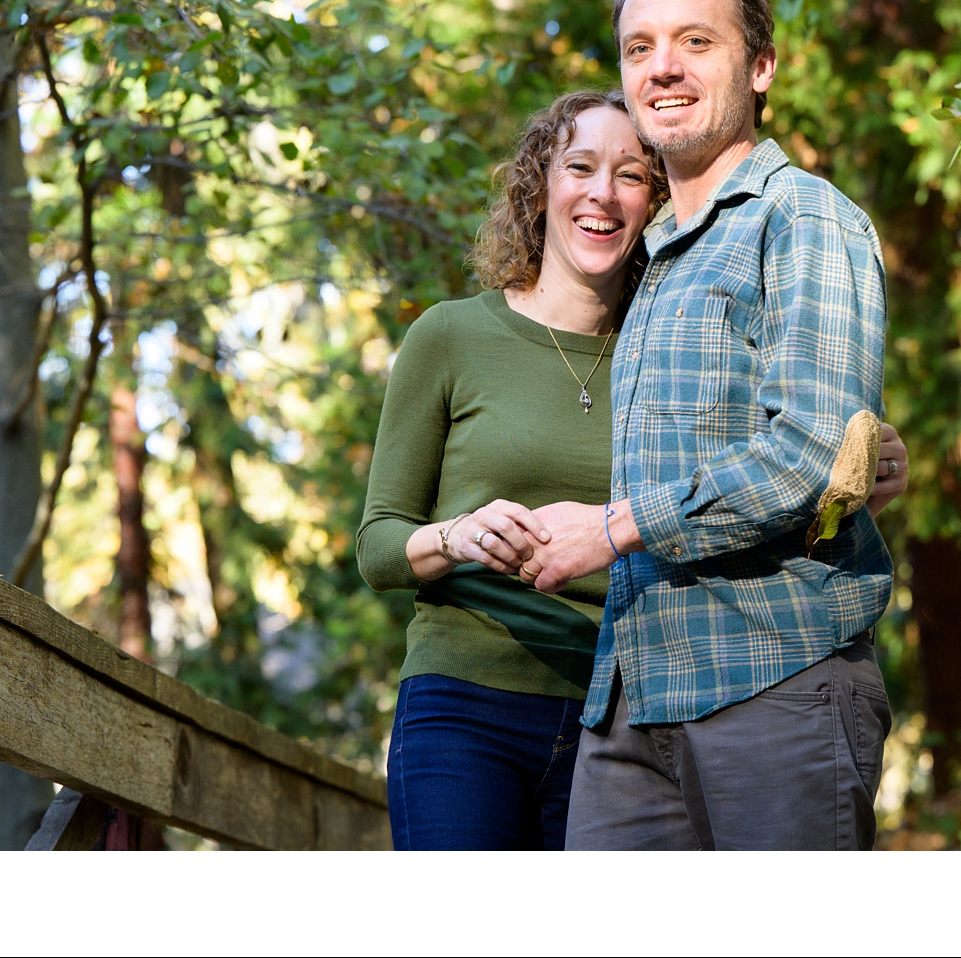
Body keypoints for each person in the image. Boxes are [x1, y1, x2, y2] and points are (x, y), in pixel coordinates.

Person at [357, 87, 906, 850]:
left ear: (657, 202)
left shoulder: (669, 352)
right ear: (539, 185)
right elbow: (378, 544)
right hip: (465, 704)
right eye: (579, 166)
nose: (602, 194)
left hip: (617, 710)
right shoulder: (450, 336)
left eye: (631, 175)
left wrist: (856, 453)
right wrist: (456, 536)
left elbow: (773, 454)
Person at [524, 0, 899, 850]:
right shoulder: (645, 259)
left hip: (773, 676)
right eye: (639, 46)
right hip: (631, 696)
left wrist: (610, 528)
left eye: (697, 41)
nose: (663, 67)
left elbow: (810, 451)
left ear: (760, 66)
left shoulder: (800, 217)